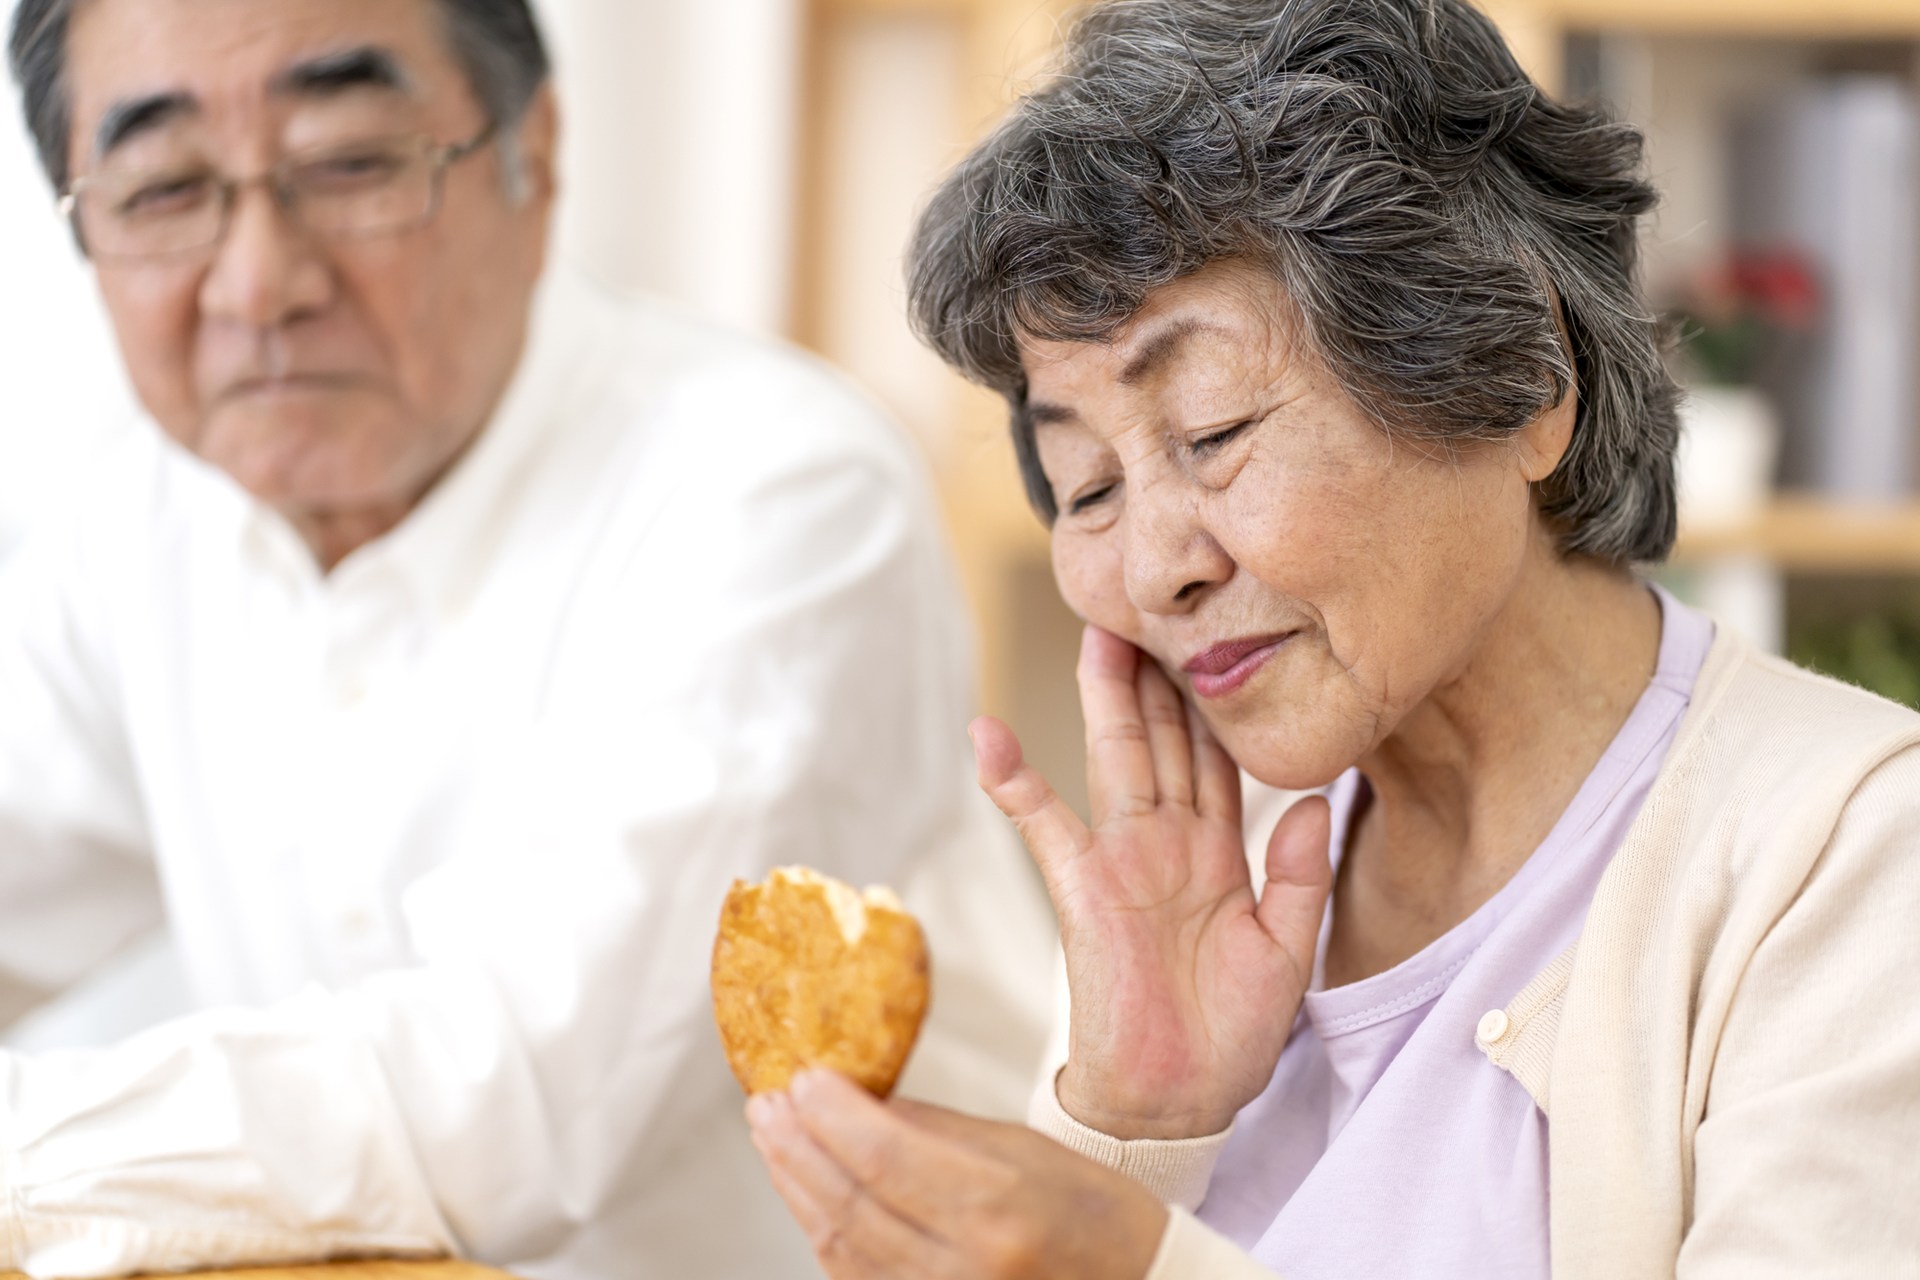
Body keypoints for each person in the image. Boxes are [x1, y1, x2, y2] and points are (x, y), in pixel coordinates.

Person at [745, 0, 1920, 1276]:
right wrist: (1131, 1119)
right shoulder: (1208, 878)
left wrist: (1135, 1259)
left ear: (1525, 375)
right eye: (1085, 485)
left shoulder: (1851, 864)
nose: (1150, 567)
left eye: (1211, 430)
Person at [0, 0, 1052, 1277]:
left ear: (533, 154)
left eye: (350, 162)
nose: (260, 283)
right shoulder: (137, 513)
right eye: (163, 189)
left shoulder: (776, 489)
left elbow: (511, 1100)